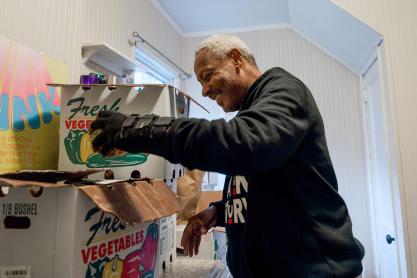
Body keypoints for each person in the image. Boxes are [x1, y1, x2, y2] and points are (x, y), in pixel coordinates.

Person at [90, 34, 364, 277]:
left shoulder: (283, 88)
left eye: (207, 76)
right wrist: (218, 212)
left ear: (236, 59)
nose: (205, 90)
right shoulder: (251, 113)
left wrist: (139, 129)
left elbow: (245, 145)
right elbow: (267, 189)